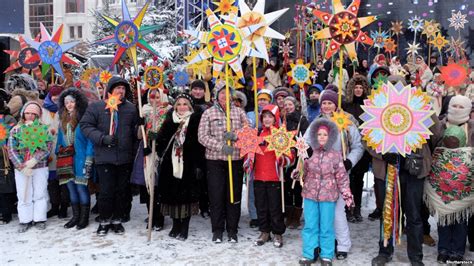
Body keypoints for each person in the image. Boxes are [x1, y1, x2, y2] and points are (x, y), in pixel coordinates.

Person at [303, 89, 364, 260]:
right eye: (324, 103)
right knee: (320, 214)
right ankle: (319, 245)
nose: (327, 106)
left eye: (330, 103)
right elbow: (306, 142)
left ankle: (343, 244)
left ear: (336, 104)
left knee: (337, 211)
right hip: (318, 174)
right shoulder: (316, 121)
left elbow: (358, 146)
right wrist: (306, 153)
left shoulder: (346, 121)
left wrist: (349, 161)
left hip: (339, 172)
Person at [80, 76, 138, 236]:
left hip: (124, 158)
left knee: (121, 191)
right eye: (117, 88)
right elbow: (85, 125)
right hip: (105, 157)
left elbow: (135, 133)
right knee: (106, 192)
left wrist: (139, 131)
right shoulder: (98, 107)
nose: (121, 91)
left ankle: (117, 220)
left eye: (123, 88)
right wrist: (102, 138)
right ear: (110, 90)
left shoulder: (131, 109)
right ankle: (104, 220)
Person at [298, 118, 354, 266]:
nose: (322, 137)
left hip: (328, 196)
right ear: (315, 136)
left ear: (330, 137)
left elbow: (341, 176)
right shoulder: (309, 153)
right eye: (319, 134)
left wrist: (347, 194)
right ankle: (309, 253)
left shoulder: (336, 155)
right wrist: (298, 173)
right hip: (310, 194)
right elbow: (303, 170)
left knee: (326, 226)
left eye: (325, 135)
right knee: (310, 225)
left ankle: (326, 254)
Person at [198, 84, 249, 243]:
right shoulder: (208, 113)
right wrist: (220, 146)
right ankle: (217, 229)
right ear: (216, 95)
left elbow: (248, 131)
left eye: (228, 94)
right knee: (216, 195)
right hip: (215, 161)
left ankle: (232, 229)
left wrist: (236, 135)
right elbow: (202, 136)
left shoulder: (239, 112)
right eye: (222, 93)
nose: (225, 97)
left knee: (233, 195)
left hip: (234, 160)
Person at [156, 93, 205, 241]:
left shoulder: (196, 120)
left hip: (189, 163)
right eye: (179, 104)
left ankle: (185, 227)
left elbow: (199, 144)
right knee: (172, 195)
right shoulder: (170, 119)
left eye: (185, 104)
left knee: (187, 197)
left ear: (190, 106)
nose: (182, 107)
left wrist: (198, 164)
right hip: (170, 164)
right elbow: (162, 140)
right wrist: (154, 139)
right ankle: (175, 224)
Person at [426, 125, 473, 263]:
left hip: (462, 200)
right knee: (444, 226)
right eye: (449, 138)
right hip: (442, 200)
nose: (451, 141)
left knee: (460, 225)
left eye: (455, 139)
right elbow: (432, 174)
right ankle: (443, 250)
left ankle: (458, 252)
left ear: (462, 139)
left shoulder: (470, 154)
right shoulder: (438, 153)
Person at [8, 101, 52, 232]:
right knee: (24, 194)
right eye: (28, 113)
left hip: (40, 166)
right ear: (23, 113)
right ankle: (25, 219)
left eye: (34, 114)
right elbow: (11, 149)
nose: (30, 116)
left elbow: (47, 147)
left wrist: (34, 160)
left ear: (38, 115)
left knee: (40, 192)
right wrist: (21, 166)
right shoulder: (16, 129)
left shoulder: (44, 129)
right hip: (22, 168)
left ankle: (39, 218)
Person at [252, 104, 292, 248]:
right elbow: (250, 154)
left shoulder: (280, 134)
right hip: (258, 177)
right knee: (261, 206)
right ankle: (264, 231)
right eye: (265, 116)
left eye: (270, 116)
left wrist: (282, 159)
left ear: (275, 118)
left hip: (274, 178)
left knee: (275, 207)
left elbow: (289, 157)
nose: (267, 119)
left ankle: (277, 232)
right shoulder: (257, 134)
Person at [131, 88, 170, 230]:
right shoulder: (144, 111)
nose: (155, 100)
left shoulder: (168, 111)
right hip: (146, 151)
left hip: (160, 152)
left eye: (158, 97)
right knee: (148, 186)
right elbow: (139, 136)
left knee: (158, 187)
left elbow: (169, 131)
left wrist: (159, 139)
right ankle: (151, 215)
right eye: (152, 97)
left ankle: (160, 218)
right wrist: (140, 124)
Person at [56, 88, 93, 230]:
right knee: (71, 189)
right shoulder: (62, 121)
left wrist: (89, 158)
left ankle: (84, 218)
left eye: (72, 101)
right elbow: (59, 140)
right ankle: (75, 216)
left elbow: (90, 141)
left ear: (77, 102)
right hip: (66, 159)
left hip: (80, 158)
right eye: (66, 102)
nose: (69, 104)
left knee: (81, 188)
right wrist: (58, 151)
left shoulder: (83, 119)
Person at [344, 75, 371, 223]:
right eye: (356, 87)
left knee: (358, 179)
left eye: (361, 87)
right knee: (348, 179)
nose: (358, 90)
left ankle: (357, 208)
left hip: (363, 147)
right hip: (348, 146)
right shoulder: (346, 106)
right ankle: (349, 208)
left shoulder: (368, 107)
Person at [43, 85, 69, 219]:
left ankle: (64, 206)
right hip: (48, 151)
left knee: (64, 180)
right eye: (54, 97)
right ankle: (54, 206)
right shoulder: (42, 110)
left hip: (63, 148)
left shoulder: (66, 109)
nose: (56, 99)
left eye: (59, 97)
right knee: (52, 182)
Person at [283, 96, 309, 229]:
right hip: (286, 156)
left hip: (298, 157)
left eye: (290, 104)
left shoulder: (302, 120)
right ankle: (289, 215)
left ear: (295, 105)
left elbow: (306, 137)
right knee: (287, 187)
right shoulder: (282, 120)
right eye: (285, 105)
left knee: (298, 186)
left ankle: (297, 217)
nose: (287, 107)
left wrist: (298, 146)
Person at [189, 79, 212, 218]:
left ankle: (205, 206)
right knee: (190, 177)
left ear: (204, 91)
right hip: (189, 146)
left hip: (204, 146)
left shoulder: (208, 106)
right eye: (195, 89)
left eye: (200, 89)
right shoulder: (185, 104)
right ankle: (191, 205)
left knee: (204, 178)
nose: (197, 92)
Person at [0, 92, 17, 224]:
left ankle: (7, 213)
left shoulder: (8, 119)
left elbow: (13, 135)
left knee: (6, 185)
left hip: (6, 156)